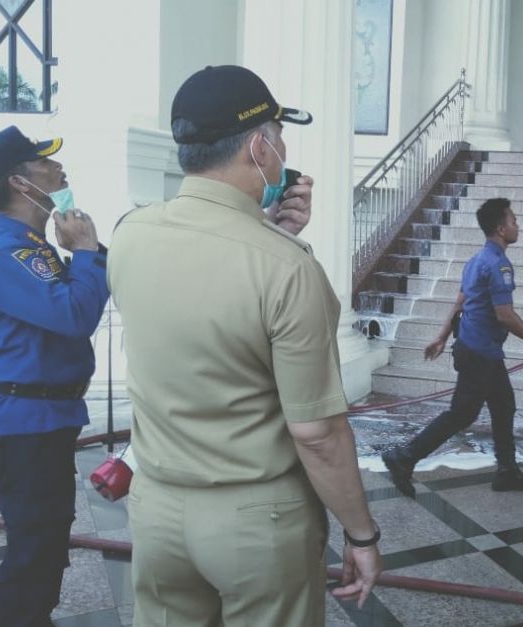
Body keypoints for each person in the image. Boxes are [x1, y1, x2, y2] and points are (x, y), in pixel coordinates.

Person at [107, 65, 381, 627]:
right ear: (259, 146)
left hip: (157, 509)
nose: (283, 153)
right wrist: (361, 532)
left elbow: (203, 289)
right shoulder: (286, 268)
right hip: (256, 523)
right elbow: (319, 434)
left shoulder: (129, 233)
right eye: (280, 139)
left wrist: (269, 231)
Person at [0, 126, 110, 626]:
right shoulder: (8, 252)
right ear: (22, 184)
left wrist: (87, 252)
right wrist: (86, 253)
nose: (59, 169)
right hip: (23, 426)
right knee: (32, 556)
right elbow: (73, 315)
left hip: (43, 419)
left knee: (45, 547)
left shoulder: (34, 243)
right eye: (45, 163)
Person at [381, 197, 523, 497]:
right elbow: (504, 315)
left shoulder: (478, 259)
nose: (518, 225)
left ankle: (506, 471)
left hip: (477, 348)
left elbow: (462, 300)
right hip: (480, 353)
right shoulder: (498, 264)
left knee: (503, 406)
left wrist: (441, 336)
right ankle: (403, 457)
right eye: (513, 220)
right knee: (461, 414)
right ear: (500, 228)